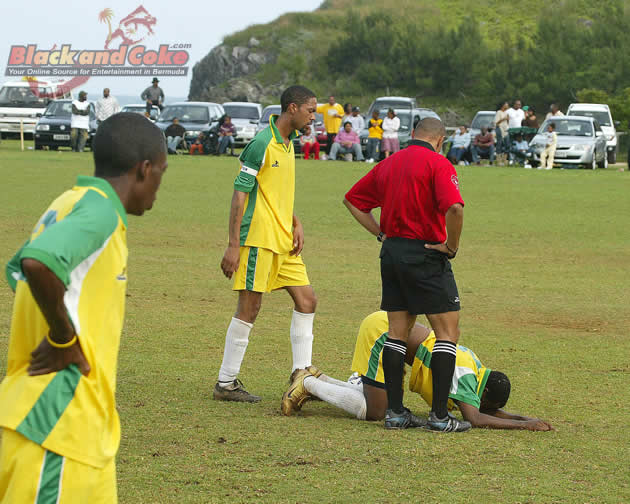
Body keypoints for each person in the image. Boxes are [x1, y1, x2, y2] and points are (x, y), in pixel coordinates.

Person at [0, 112, 167, 502]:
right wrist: (63, 337)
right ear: (144, 170)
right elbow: (35, 263)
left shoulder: (70, 201)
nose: (160, 185)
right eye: (162, 172)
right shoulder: (101, 212)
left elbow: (16, 271)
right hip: (57, 426)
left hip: (83, 433)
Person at [343, 117, 470, 433]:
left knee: (397, 332)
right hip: (426, 252)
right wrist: (451, 246)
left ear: (413, 134)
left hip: (392, 254)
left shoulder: (389, 163)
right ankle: (439, 417)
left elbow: (352, 200)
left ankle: (396, 413)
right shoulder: (438, 164)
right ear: (440, 140)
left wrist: (380, 233)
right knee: (447, 333)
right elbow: (455, 208)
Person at [215, 85, 319, 403]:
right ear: (292, 108)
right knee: (250, 308)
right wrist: (233, 245)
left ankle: (301, 378)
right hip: (257, 240)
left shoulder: (289, 143)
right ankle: (226, 382)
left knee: (307, 301)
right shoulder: (262, 144)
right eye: (310, 110)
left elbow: (275, 191)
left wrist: (295, 221)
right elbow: (240, 194)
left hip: (284, 241)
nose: (313, 117)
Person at [282, 312, 553, 431]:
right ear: (484, 395)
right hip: (383, 334)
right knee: (376, 412)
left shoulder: (476, 370)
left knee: (380, 401)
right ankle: (308, 383)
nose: (484, 408)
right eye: (488, 405)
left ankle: (318, 378)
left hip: (389, 329)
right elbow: (476, 418)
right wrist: (523, 426)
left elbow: (485, 411)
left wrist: (526, 418)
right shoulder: (465, 376)